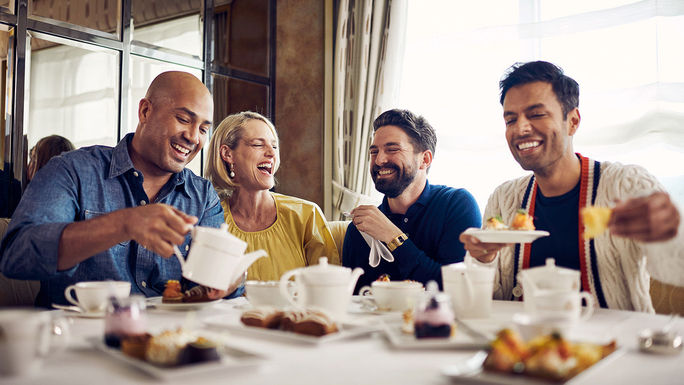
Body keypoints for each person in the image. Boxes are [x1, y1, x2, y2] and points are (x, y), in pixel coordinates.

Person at [0, 71, 241, 307]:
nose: (193, 137)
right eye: (184, 119)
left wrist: (229, 280)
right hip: (74, 338)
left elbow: (210, 284)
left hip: (165, 337)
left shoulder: (203, 196)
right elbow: (17, 256)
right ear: (145, 111)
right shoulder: (73, 171)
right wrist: (122, 224)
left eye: (203, 129)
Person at [460, 61, 683, 312]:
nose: (520, 128)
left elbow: (676, 270)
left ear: (573, 121)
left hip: (615, 345)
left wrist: (670, 232)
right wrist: (482, 259)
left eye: (536, 114)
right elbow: (483, 302)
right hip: (523, 345)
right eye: (511, 119)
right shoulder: (503, 198)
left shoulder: (627, 185)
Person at [343, 109, 481, 292]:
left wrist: (393, 237)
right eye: (374, 152)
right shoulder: (359, 228)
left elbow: (459, 288)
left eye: (392, 149)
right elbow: (351, 300)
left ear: (425, 159)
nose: (379, 160)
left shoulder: (457, 205)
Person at [204, 111, 339, 281]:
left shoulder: (306, 215)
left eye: (274, 146)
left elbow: (330, 286)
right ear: (228, 154)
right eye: (258, 145)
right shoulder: (211, 219)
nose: (271, 153)